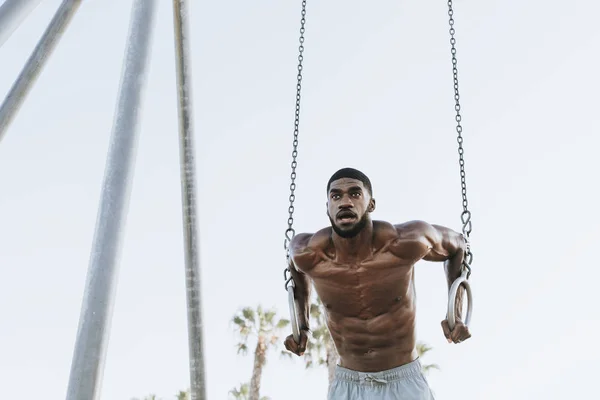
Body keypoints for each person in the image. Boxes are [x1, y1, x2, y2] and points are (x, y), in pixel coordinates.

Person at [284, 167, 471, 400]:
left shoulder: (406, 242)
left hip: (404, 382)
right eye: (336, 196)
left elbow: (458, 245)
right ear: (328, 207)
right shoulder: (308, 253)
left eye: (355, 194)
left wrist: (456, 314)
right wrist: (302, 327)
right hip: (348, 384)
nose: (345, 202)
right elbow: (295, 269)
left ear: (371, 204)